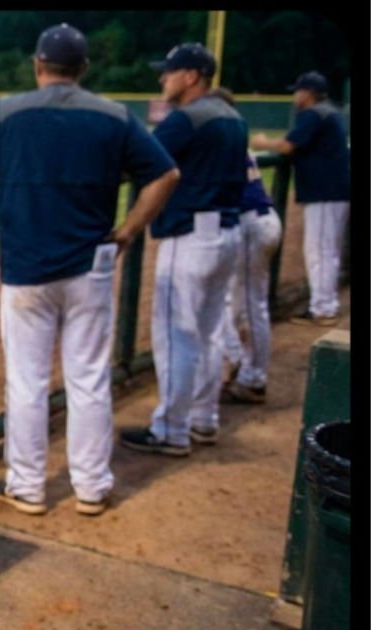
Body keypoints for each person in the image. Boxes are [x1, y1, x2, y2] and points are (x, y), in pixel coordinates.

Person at [0, 23, 179, 516]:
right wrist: (130, 229)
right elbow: (166, 174)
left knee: (27, 381)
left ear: (38, 65)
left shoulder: (8, 110)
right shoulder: (114, 114)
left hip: (27, 269)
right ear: (83, 70)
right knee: (89, 378)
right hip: (91, 265)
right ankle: (92, 487)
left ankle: (28, 487)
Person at [120, 42, 248, 457]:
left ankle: (171, 431)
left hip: (189, 237)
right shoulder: (232, 115)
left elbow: (138, 163)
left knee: (176, 337)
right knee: (208, 334)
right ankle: (202, 419)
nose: (163, 79)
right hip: (227, 233)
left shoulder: (187, 119)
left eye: (170, 71)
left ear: (192, 75)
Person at [250, 71, 350, 327]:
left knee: (319, 250)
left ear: (309, 93)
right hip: (333, 191)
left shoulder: (313, 113)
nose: (295, 95)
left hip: (325, 193)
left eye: (298, 90)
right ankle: (325, 304)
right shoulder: (328, 111)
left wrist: (262, 142)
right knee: (328, 250)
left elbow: (287, 147)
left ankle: (323, 308)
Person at [211, 87, 284, 405]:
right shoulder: (235, 134)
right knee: (241, 304)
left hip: (252, 225)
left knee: (247, 306)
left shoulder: (222, 136)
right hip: (261, 222)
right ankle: (245, 370)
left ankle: (252, 375)